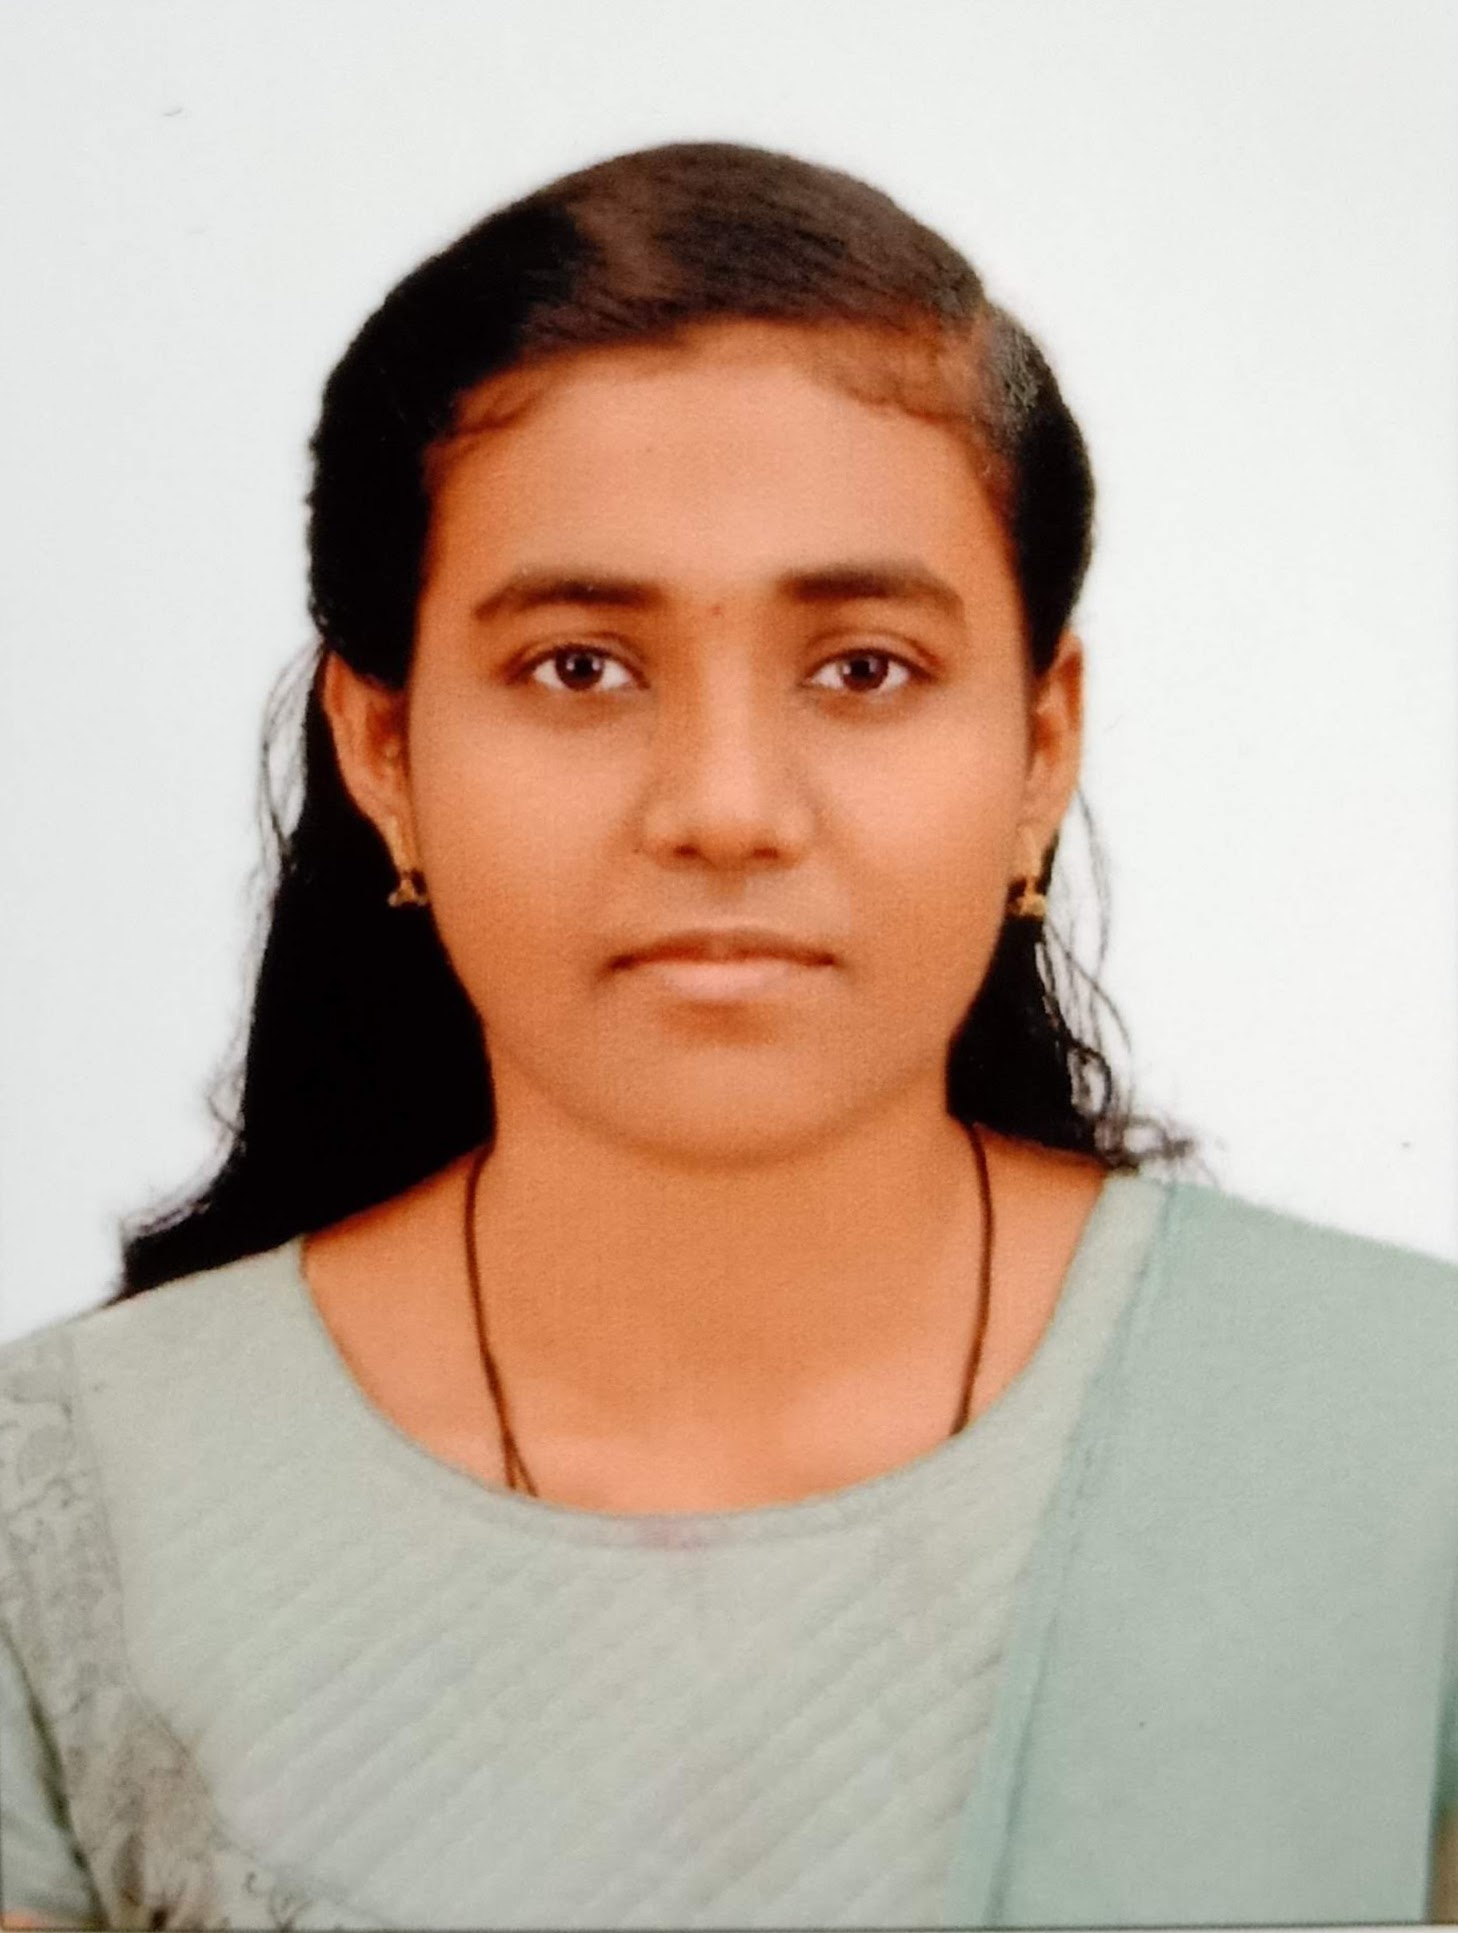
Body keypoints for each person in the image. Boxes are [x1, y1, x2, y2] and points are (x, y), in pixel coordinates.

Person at [0, 141, 1453, 1932]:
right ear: (383, 751)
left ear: (1039, 746)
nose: (725, 809)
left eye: (861, 668)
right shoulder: (61, 1506)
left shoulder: (1406, 1435)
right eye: (579, 667)